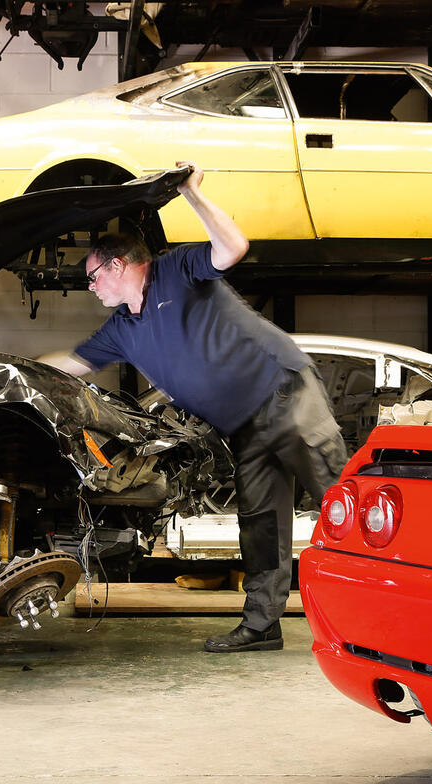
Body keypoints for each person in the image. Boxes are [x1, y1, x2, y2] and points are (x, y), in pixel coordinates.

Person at [40, 162, 348, 652]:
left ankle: (388, 618)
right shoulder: (121, 329)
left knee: (342, 504)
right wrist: (9, 369)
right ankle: (262, 626)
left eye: (92, 276)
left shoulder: (177, 269)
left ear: (117, 265)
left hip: (284, 394)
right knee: (261, 524)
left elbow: (234, 247)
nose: (91, 287)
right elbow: (72, 363)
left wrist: (191, 193)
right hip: (243, 425)